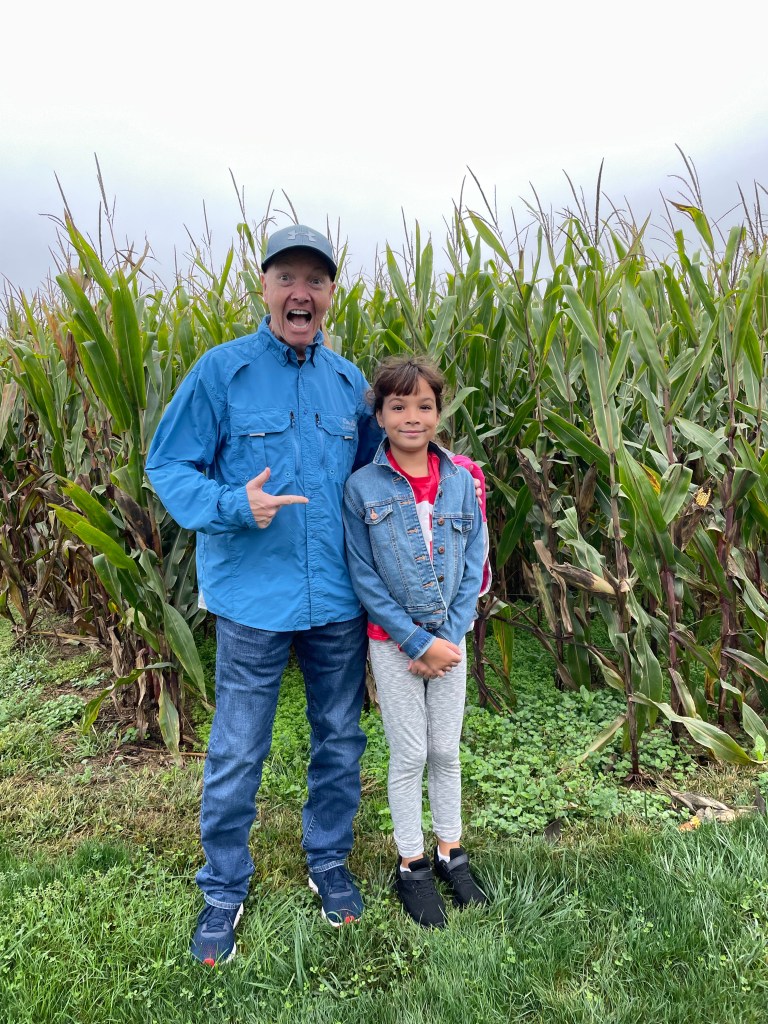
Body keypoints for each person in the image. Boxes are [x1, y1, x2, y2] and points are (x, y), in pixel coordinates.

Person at [146, 225, 382, 965]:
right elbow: (168, 465)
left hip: (336, 597)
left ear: (331, 294)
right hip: (251, 598)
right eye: (287, 278)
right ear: (265, 288)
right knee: (238, 746)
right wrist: (231, 505)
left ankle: (329, 860)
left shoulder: (348, 383)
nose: (300, 293)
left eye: (315, 280)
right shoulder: (223, 372)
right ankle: (223, 887)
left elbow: (378, 473)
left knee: (339, 737)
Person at [342, 357, 489, 928]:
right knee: (410, 755)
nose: (412, 417)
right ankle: (411, 864)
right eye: (398, 406)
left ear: (438, 412)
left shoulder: (461, 480)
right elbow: (363, 575)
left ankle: (451, 850)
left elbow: (475, 557)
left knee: (446, 751)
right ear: (379, 415)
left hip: (449, 643)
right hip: (393, 643)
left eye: (424, 406)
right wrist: (413, 641)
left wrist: (446, 637)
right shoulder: (362, 488)